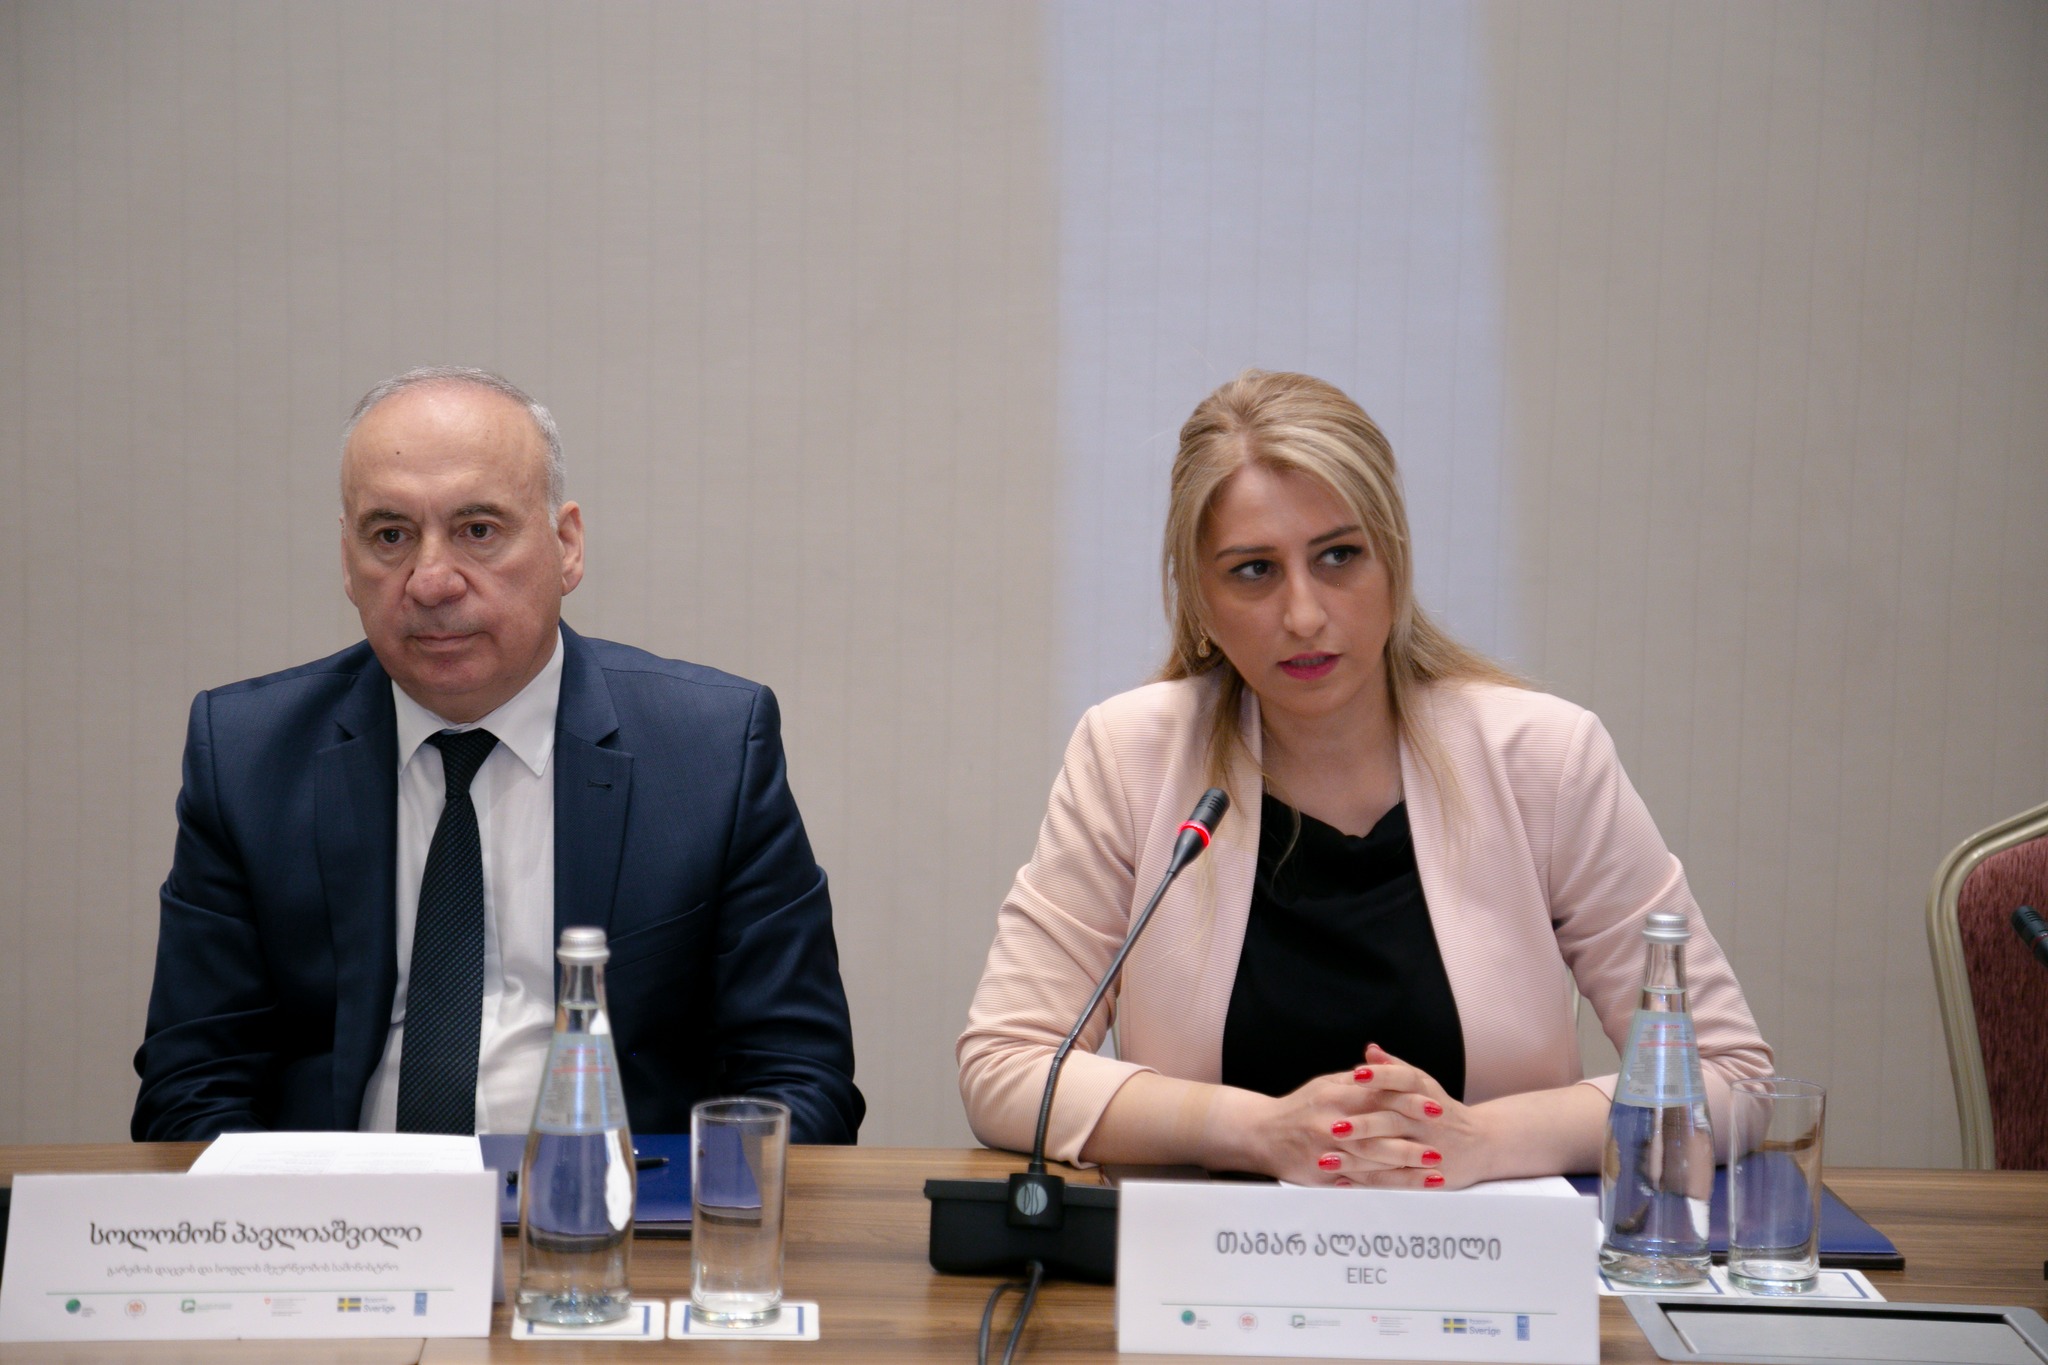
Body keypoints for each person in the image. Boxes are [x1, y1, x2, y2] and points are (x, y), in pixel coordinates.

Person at [958, 370, 1769, 1188]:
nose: (1304, 614)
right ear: (1199, 596)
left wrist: (1479, 1140)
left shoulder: (1544, 758)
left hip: (1485, 1251)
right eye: (1253, 570)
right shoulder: (1131, 756)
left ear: (1396, 560)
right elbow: (1006, 1064)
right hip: (1219, 1252)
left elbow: (1729, 1079)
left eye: (1339, 556)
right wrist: (1258, 1130)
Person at [133, 367, 863, 1144]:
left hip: (618, 1206)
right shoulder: (247, 758)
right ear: (348, 561)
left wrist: (653, 1208)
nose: (432, 581)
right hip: (342, 1208)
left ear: (566, 546)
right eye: (390, 536)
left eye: (478, 530)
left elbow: (799, 1078)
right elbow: (190, 1089)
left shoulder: (711, 753)